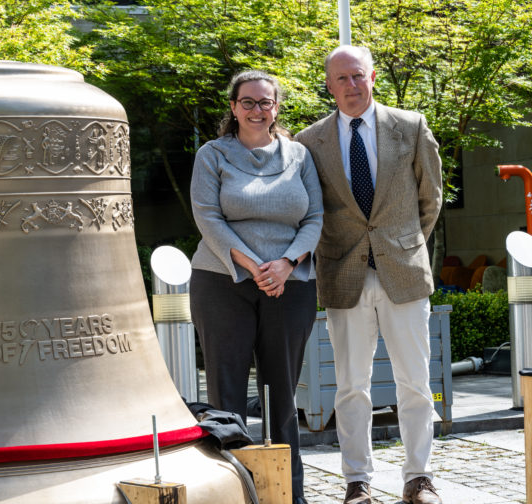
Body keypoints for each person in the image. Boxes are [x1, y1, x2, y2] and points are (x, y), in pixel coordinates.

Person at [295, 46, 443, 504]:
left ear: (372, 76)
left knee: (415, 382)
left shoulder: (410, 126)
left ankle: (419, 478)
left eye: (358, 75)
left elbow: (431, 197)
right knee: (350, 387)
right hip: (344, 274)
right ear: (329, 85)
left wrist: (402, 244)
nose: (351, 85)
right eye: (341, 78)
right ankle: (357, 481)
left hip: (403, 271)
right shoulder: (309, 141)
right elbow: (310, 208)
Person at [189, 70, 323, 504]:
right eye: (247, 102)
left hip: (290, 283)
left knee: (282, 396)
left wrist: (285, 264)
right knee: (226, 397)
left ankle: (289, 495)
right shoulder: (212, 154)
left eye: (265, 102)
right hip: (222, 281)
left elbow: (315, 218)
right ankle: (233, 495)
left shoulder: (299, 156)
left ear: (276, 107)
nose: (256, 110)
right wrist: (254, 267)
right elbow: (207, 217)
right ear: (233, 107)